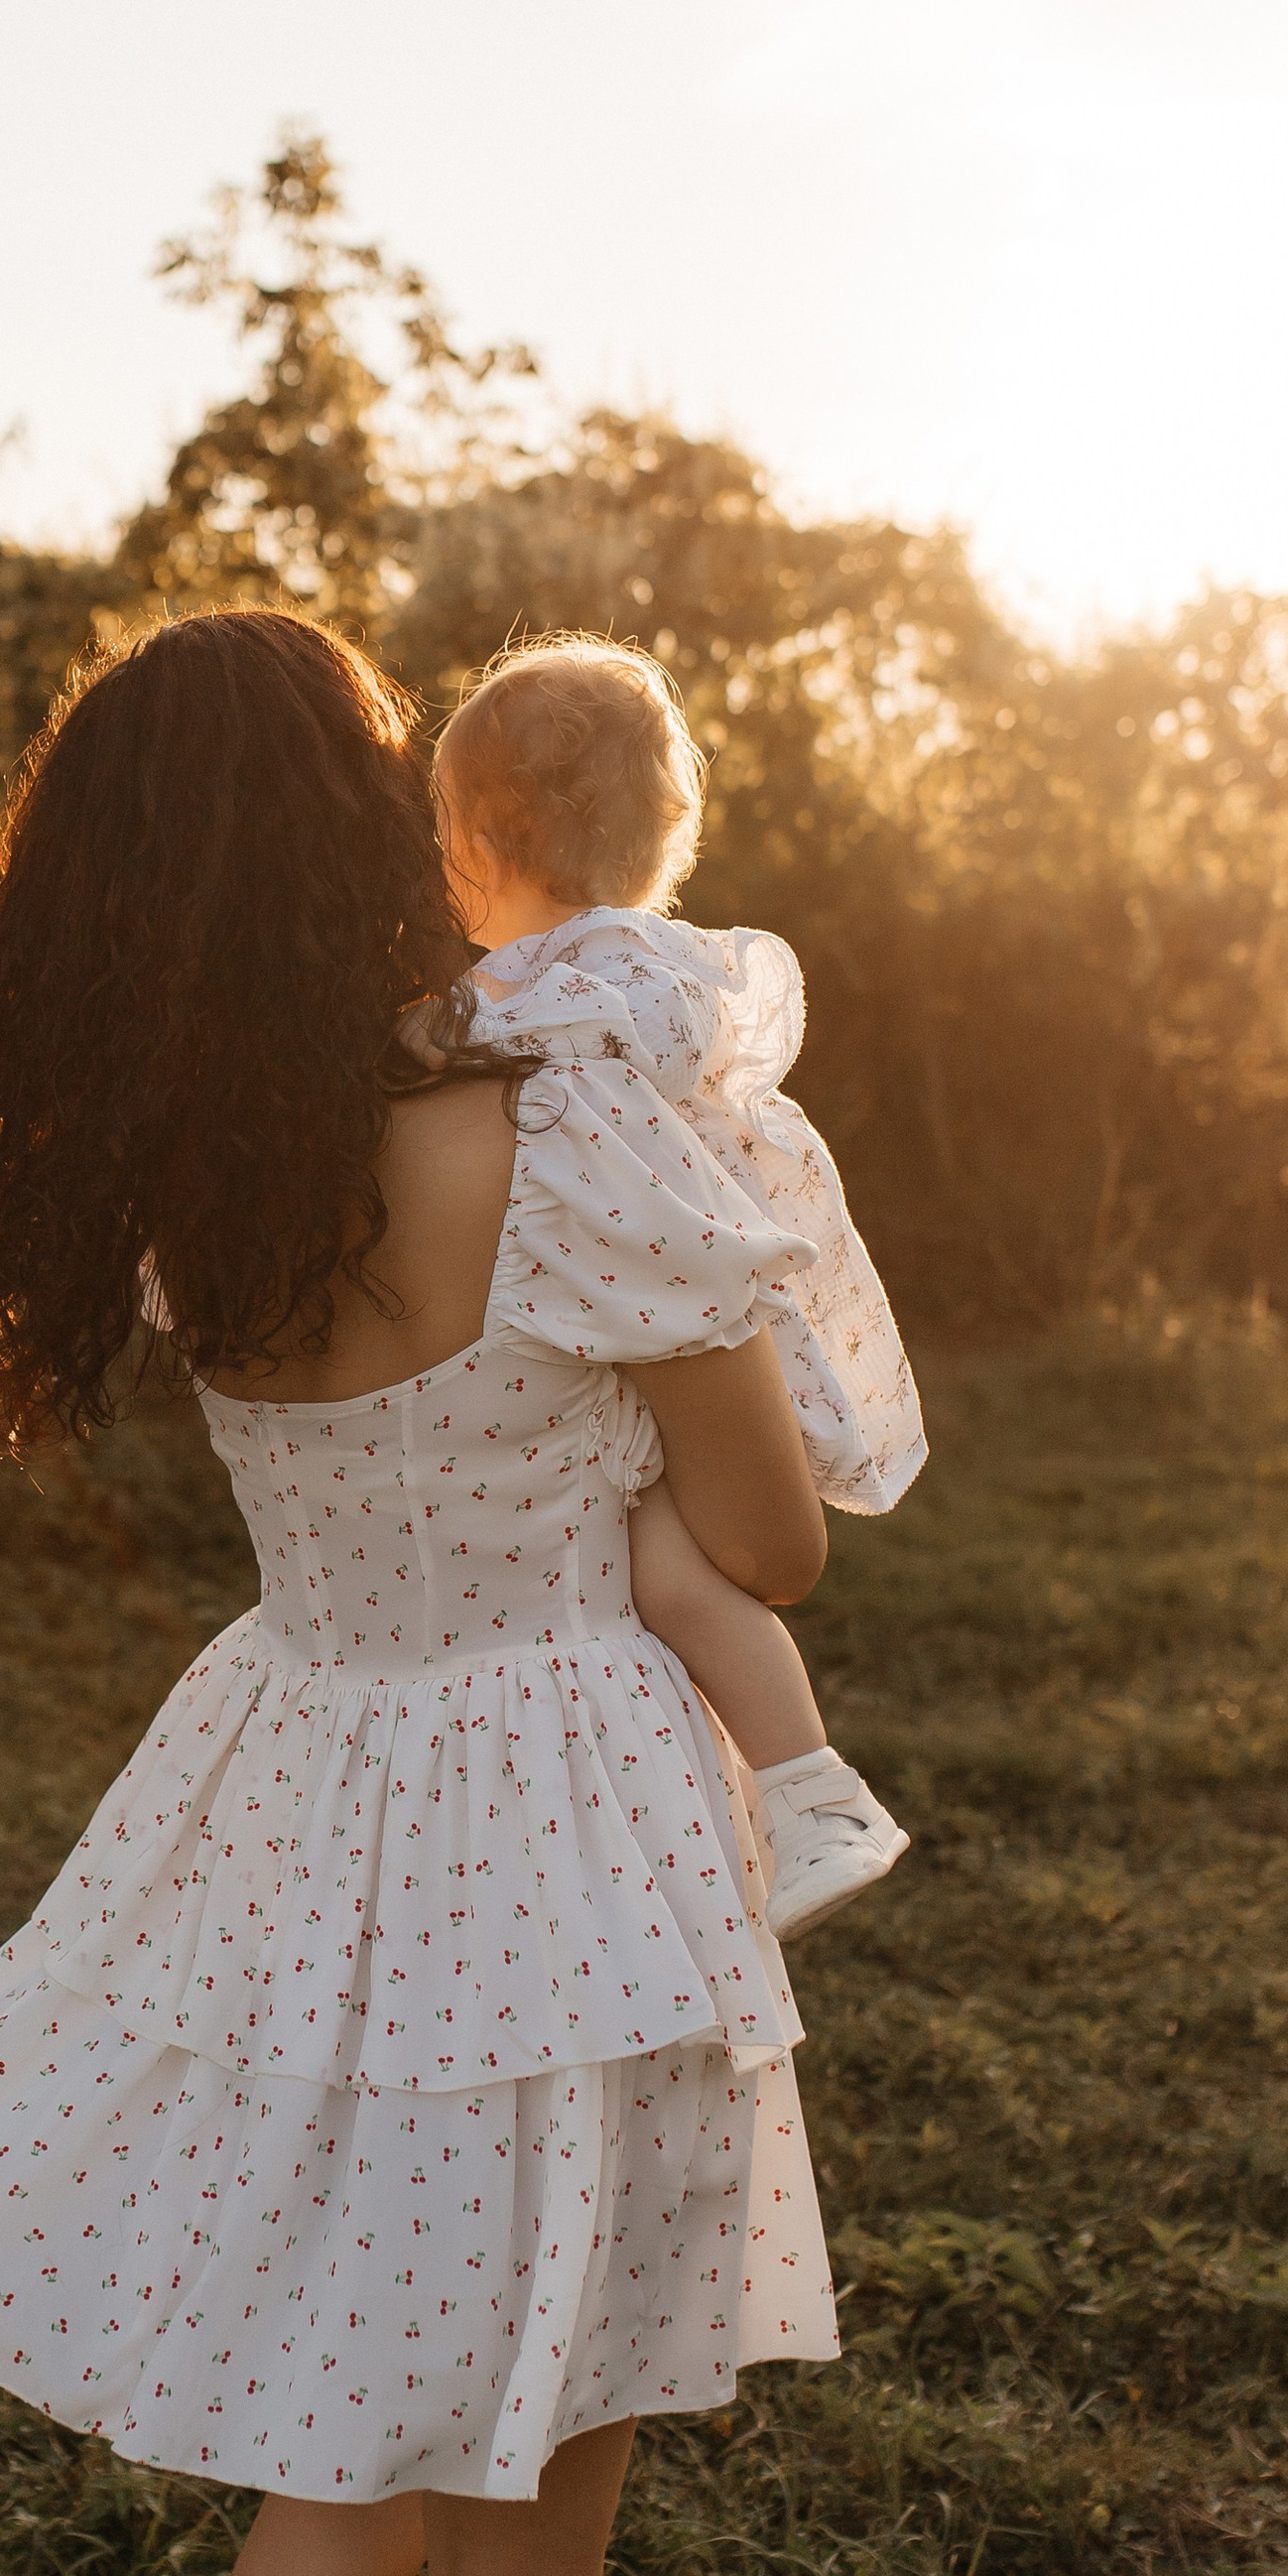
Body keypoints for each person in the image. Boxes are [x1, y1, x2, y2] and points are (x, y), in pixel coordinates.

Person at [0, 607, 842, 2576]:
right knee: (524, 2548)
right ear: (372, 831)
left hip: (311, 1807)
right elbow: (764, 1540)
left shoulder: (190, 1198)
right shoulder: (571, 1136)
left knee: (411, 2343)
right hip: (561, 1828)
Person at [434, 634, 925, 1941]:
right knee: (653, 1567)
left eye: (439, 831)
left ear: (490, 832)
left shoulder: (556, 997)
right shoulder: (659, 968)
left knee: (668, 1569)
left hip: (646, 1310)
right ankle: (785, 1789)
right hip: (652, 1300)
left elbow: (553, 1131)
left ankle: (814, 1791)